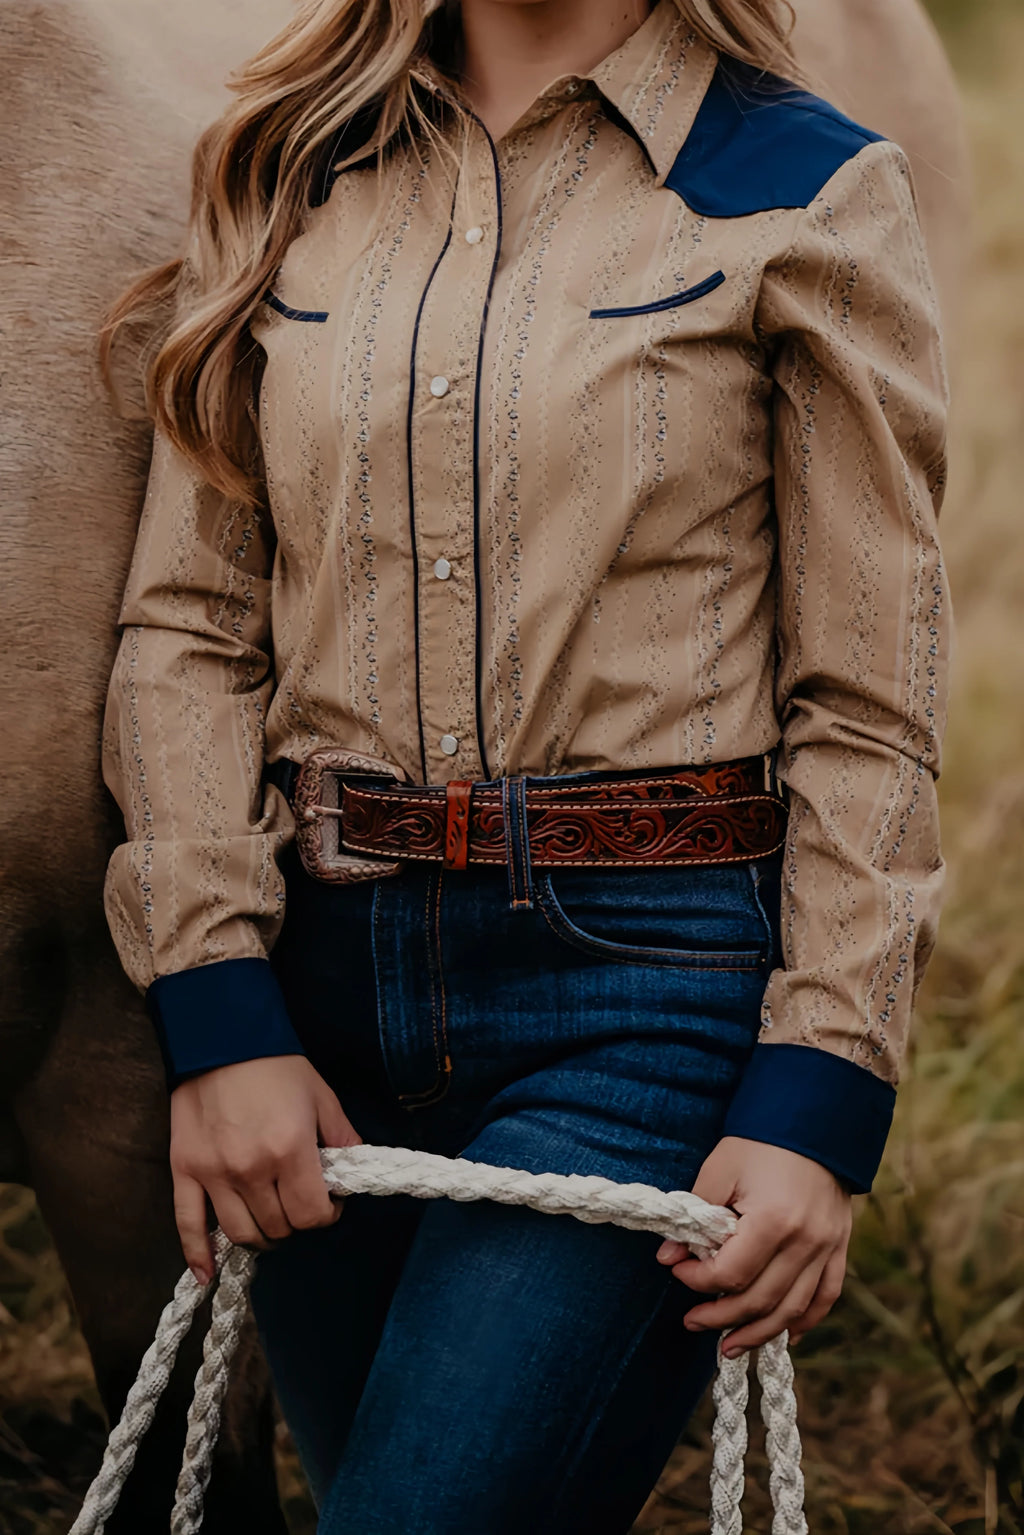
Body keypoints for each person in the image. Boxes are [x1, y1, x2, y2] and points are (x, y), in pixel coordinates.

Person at [100, 0, 950, 1528]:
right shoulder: (287, 165)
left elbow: (872, 695)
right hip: (319, 1008)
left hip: (640, 1003)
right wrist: (218, 1013)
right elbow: (190, 626)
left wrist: (825, 1083)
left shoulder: (805, 187)